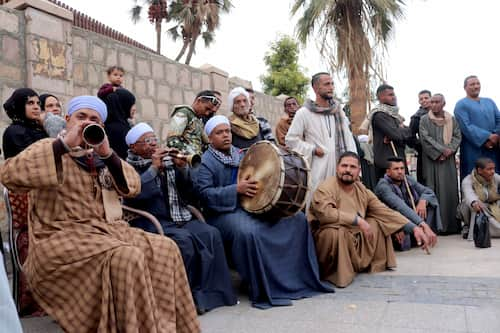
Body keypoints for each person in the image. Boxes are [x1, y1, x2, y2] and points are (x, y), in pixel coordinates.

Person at [0, 96, 200, 332]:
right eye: (80, 117)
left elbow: (132, 186)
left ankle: (162, 326)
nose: (86, 123)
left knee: (166, 249)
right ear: (68, 120)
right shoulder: (48, 147)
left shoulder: (101, 156)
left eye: (94, 119)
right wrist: (62, 146)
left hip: (107, 231)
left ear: (101, 127)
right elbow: (9, 175)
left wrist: (107, 154)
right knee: (126, 257)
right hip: (59, 236)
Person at [196, 115, 334, 308]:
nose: (226, 135)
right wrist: (235, 190)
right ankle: (262, 285)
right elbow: (204, 195)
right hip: (223, 213)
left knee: (296, 220)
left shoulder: (243, 154)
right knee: (249, 233)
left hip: (251, 205)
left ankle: (298, 278)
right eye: (219, 133)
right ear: (210, 138)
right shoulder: (205, 163)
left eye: (227, 131)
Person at [124, 122, 237, 313]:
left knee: (211, 233)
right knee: (184, 243)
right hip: (151, 221)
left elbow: (189, 193)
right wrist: (153, 170)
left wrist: (183, 168)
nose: (153, 144)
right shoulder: (127, 167)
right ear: (133, 147)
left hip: (178, 217)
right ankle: (187, 298)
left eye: (154, 140)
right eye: (147, 141)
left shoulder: (168, 163)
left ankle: (212, 295)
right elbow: (135, 194)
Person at [308, 152, 433, 288]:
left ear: (358, 171)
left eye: (352, 167)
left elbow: (383, 211)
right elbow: (326, 214)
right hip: (329, 234)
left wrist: (414, 227)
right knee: (337, 232)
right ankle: (337, 273)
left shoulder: (361, 189)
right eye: (344, 166)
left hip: (351, 234)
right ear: (337, 168)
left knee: (375, 222)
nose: (348, 170)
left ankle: (364, 265)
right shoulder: (326, 187)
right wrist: (358, 221)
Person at [286, 72, 356, 203]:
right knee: (317, 205)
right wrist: (313, 149)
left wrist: (354, 166)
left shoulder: (338, 111)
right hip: (318, 169)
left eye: (332, 84)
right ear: (316, 88)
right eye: (327, 84)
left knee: (342, 206)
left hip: (341, 168)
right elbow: (291, 140)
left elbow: (348, 139)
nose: (331, 87)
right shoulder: (304, 113)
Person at [374, 157, 440, 251]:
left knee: (430, 203)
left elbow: (428, 192)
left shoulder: (407, 179)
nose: (400, 172)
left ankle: (423, 233)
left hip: (409, 217)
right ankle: (418, 232)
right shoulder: (383, 186)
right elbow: (400, 206)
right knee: (403, 243)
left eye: (402, 168)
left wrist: (423, 200)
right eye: (396, 169)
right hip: (392, 220)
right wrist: (422, 224)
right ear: (388, 172)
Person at [419, 94, 462, 234]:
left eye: (437, 102)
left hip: (448, 161)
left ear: (444, 103)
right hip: (432, 160)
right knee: (433, 190)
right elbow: (425, 139)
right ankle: (435, 227)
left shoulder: (451, 119)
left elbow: (457, 136)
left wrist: (450, 151)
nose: (434, 104)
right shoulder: (424, 120)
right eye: (432, 102)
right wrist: (440, 152)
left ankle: (451, 226)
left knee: (449, 191)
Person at [360, 84, 413, 180]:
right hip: (387, 164)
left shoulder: (395, 116)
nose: (394, 97)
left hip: (398, 160)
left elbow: (409, 133)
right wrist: (399, 132)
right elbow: (397, 136)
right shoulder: (380, 115)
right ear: (381, 97)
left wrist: (399, 132)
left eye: (394, 94)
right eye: (390, 95)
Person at [454, 75, 500, 179]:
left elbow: (499, 119)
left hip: (493, 148)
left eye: (478, 84)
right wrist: (487, 137)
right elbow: (466, 126)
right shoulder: (461, 105)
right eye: (472, 84)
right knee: (474, 178)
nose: (476, 86)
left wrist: (495, 137)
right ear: (465, 87)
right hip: (473, 149)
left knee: (495, 178)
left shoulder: (490, 102)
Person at [167, 90, 219, 155]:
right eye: (207, 108)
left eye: (210, 111)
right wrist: (191, 154)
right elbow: (172, 140)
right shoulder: (183, 113)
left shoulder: (198, 120)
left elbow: (206, 143)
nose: (207, 113)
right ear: (199, 101)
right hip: (184, 160)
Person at [459, 157, 500, 240]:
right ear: (480, 170)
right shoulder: (468, 180)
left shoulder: (495, 177)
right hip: (478, 208)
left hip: (492, 207)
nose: (492, 172)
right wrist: (474, 202)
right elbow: (469, 194)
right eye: (489, 169)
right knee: (468, 205)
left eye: (493, 169)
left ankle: (479, 228)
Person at [2, 88, 48, 159]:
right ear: (20, 105)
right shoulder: (15, 131)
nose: (36, 107)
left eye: (38, 103)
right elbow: (36, 158)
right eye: (30, 103)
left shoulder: (38, 128)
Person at [101, 88, 137, 159]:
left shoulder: (109, 125)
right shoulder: (120, 130)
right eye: (131, 104)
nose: (134, 108)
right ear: (122, 105)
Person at [409, 89, 432, 183]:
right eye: (421, 99)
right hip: (424, 154)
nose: (424, 100)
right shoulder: (416, 117)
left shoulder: (440, 114)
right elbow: (410, 136)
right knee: (425, 179)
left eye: (426, 98)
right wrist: (420, 146)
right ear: (419, 101)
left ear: (431, 98)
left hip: (440, 152)